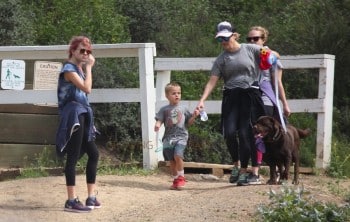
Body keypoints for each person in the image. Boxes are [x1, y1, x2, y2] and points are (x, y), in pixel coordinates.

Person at [197, 21, 274, 186]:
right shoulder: (221, 59)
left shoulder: (250, 49)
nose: (223, 42)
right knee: (230, 132)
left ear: (234, 35)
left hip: (250, 94)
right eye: (220, 39)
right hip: (231, 96)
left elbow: (270, 53)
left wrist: (269, 56)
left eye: (226, 38)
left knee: (247, 133)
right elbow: (212, 81)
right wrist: (202, 100)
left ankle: (249, 172)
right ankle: (236, 164)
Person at [56, 36, 101, 212]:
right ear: (73, 51)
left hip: (83, 112)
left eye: (88, 51)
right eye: (82, 50)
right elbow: (86, 88)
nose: (85, 53)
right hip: (73, 114)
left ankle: (91, 197)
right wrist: (89, 67)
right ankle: (71, 200)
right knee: (73, 156)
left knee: (93, 153)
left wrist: (85, 67)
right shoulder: (68, 69)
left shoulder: (78, 69)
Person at [246, 26, 291, 166]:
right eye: (249, 39)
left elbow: (277, 83)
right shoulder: (245, 54)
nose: (252, 41)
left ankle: (273, 166)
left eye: (256, 38)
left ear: (263, 39)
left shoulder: (270, 57)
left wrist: (284, 103)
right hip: (249, 97)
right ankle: (256, 166)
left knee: (264, 134)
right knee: (250, 133)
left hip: (265, 97)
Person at [154, 82, 199, 189]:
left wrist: (194, 116)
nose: (177, 95)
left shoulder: (183, 108)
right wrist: (157, 125)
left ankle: (181, 177)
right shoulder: (164, 109)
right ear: (167, 96)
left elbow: (189, 122)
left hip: (182, 136)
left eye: (179, 93)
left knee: (178, 155)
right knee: (172, 161)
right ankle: (175, 179)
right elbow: (160, 119)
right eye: (174, 93)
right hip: (168, 138)